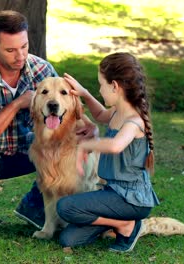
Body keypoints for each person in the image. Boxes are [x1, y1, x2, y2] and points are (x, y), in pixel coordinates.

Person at [0, 10, 97, 232]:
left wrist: (89, 127)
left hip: (23, 150)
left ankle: (34, 205)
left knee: (65, 144)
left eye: (24, 46)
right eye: (11, 50)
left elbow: (64, 109)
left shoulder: (41, 69)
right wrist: (16, 104)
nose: (20, 56)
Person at [57, 52, 160, 252]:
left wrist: (86, 145)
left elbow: (115, 146)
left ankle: (126, 225)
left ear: (115, 86)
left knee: (65, 207)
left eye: (101, 84)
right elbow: (99, 114)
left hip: (130, 199)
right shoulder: (116, 111)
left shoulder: (134, 121)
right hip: (113, 194)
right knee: (68, 239)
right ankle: (116, 222)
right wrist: (84, 93)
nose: (100, 89)